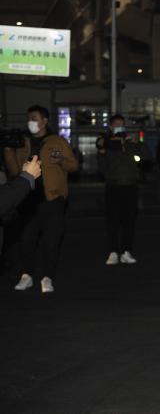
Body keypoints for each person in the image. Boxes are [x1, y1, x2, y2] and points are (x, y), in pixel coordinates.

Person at [5, 105, 79, 293]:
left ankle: (47, 277)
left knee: (51, 240)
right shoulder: (23, 142)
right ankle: (26, 275)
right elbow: (14, 172)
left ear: (45, 120)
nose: (31, 121)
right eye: (29, 118)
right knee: (26, 240)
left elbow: (73, 165)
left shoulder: (58, 141)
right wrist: (8, 151)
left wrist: (61, 161)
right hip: (27, 200)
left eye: (35, 118)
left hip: (52, 199)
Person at [96, 115, 150, 265]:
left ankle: (127, 251)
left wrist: (138, 142)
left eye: (122, 125)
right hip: (113, 185)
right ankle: (113, 251)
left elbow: (146, 157)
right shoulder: (106, 143)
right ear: (111, 127)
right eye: (116, 125)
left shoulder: (130, 142)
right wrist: (102, 150)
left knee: (129, 220)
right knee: (112, 220)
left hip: (130, 186)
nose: (119, 127)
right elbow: (101, 167)